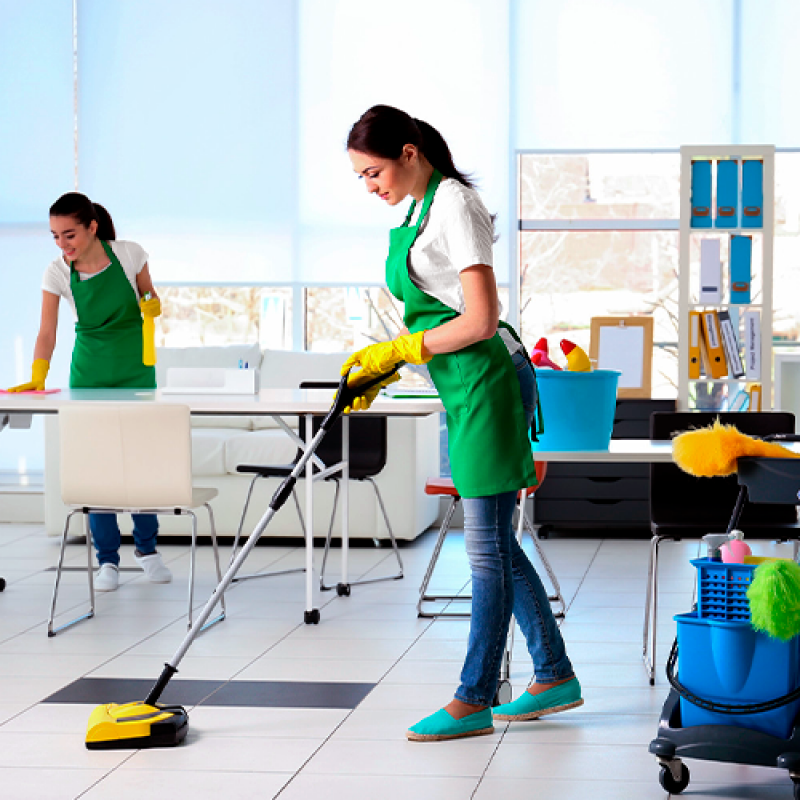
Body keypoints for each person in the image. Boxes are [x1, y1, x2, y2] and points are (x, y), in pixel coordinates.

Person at [342, 105, 582, 742]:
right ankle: (553, 672)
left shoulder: (454, 205)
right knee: (495, 542)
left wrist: (402, 351)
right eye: (361, 177)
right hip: (463, 385)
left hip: (490, 382)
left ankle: (474, 695)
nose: (371, 186)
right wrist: (388, 365)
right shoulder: (413, 211)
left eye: (374, 171)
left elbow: (478, 319)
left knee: (482, 549)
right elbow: (434, 316)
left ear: (411, 152)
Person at [8, 192, 172, 592]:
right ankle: (108, 560)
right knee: (99, 468)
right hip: (90, 374)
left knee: (140, 465)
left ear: (92, 227)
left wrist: (152, 305)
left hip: (136, 372)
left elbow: (150, 297)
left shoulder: (130, 255)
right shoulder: (57, 273)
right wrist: (38, 373)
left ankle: (148, 551)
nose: (63, 245)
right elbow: (48, 331)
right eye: (55, 237)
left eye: (70, 235)